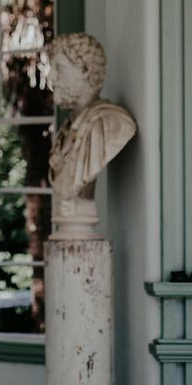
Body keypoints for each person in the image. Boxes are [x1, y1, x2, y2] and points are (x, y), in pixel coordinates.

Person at [46, 33, 136, 239]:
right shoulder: (65, 134)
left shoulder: (112, 124)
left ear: (86, 70)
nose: (51, 77)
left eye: (59, 68)